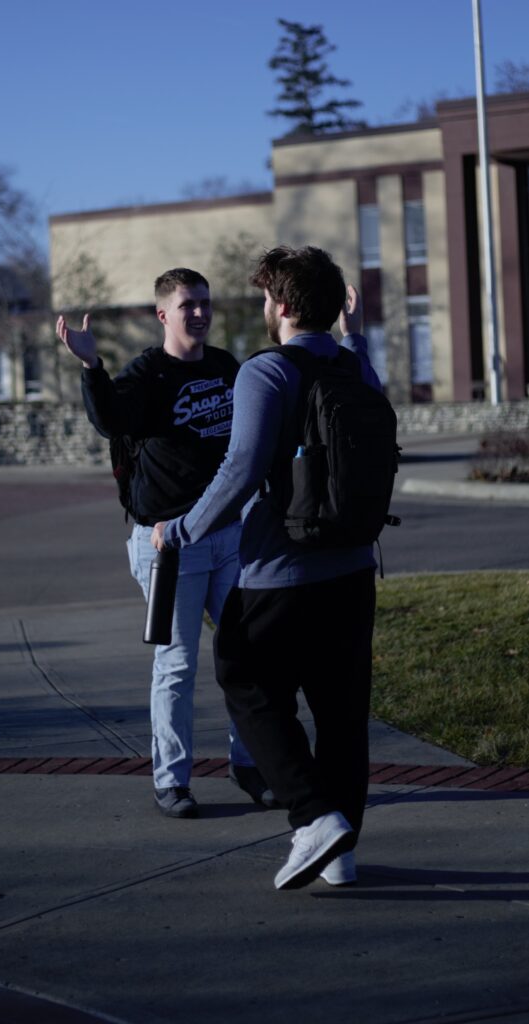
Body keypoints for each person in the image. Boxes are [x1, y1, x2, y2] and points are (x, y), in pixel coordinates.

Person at [151, 246, 382, 889]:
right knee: (341, 714)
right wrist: (353, 332)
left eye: (263, 299)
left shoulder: (266, 371)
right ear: (332, 307)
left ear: (280, 307)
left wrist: (184, 530)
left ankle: (312, 820)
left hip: (280, 571)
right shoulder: (357, 366)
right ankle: (341, 856)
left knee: (244, 676)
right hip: (355, 567)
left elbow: (242, 467)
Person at [56, 267, 274, 819]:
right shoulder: (147, 375)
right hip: (167, 545)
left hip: (228, 536)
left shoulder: (227, 366)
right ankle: (172, 780)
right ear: (163, 315)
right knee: (177, 666)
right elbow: (109, 418)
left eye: (204, 303)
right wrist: (91, 365)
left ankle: (250, 765)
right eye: (187, 305)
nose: (199, 313)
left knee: (245, 656)